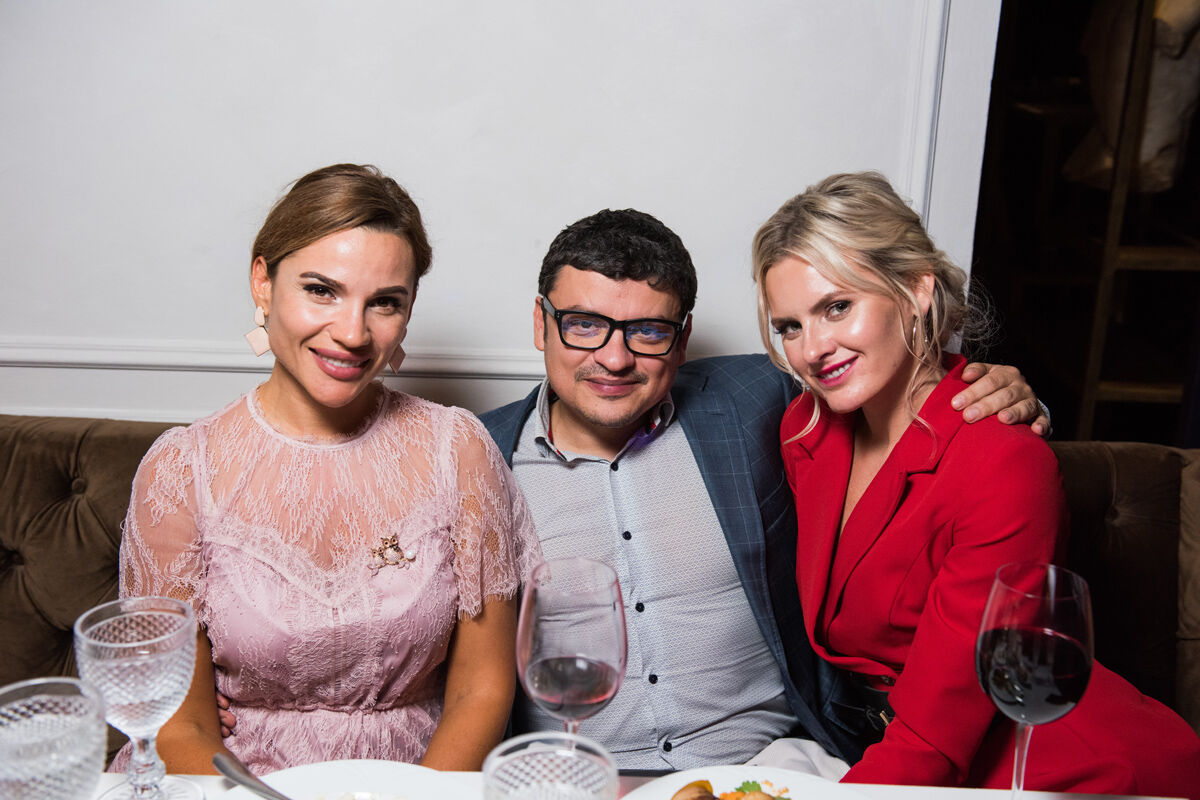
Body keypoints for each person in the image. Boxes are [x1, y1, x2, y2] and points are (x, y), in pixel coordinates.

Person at [479, 208, 1048, 771]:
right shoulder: (477, 457)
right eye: (583, 324)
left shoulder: (759, 402)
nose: (614, 358)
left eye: (649, 331)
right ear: (541, 323)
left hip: (765, 769)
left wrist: (1013, 401)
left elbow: (903, 397)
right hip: (573, 773)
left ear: (682, 340)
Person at [753, 170, 1200, 794]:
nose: (812, 349)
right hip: (887, 742)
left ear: (915, 290)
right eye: (790, 326)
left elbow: (938, 725)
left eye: (837, 307)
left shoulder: (1003, 461)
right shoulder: (807, 429)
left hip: (1046, 762)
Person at [117, 164, 540, 775]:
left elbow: (482, 691)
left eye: (384, 303)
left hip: (419, 783)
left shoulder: (459, 449)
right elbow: (177, 725)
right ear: (263, 283)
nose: (352, 333)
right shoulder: (182, 469)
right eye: (321, 290)